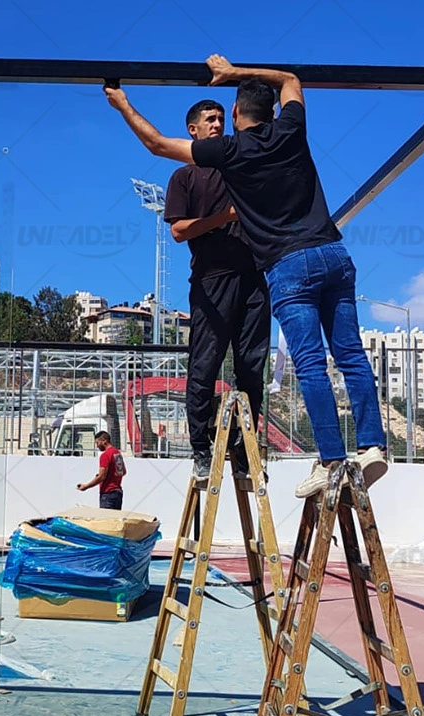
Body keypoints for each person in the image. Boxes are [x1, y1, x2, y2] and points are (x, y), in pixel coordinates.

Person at [104, 54, 389, 498]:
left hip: (287, 266)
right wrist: (235, 73)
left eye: (225, 115)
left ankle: (331, 458)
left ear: (235, 113)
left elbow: (157, 144)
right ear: (273, 111)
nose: (220, 122)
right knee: (350, 354)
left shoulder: (231, 152)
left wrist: (121, 102)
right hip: (333, 253)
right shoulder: (291, 130)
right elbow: (290, 78)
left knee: (308, 363)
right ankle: (373, 446)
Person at [163, 98, 270, 482]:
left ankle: (243, 450)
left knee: (252, 366)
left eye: (222, 118)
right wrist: (223, 217)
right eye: (210, 119)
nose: (218, 124)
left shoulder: (240, 165)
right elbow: (178, 231)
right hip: (211, 281)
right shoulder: (185, 177)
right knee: (204, 366)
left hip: (253, 276)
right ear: (192, 130)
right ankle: (200, 450)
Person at [76, 430, 126, 509]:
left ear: (104, 441)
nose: (97, 446)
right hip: (118, 493)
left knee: (105, 516)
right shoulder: (117, 453)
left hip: (108, 493)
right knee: (115, 517)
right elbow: (123, 471)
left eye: (97, 443)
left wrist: (86, 486)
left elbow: (102, 476)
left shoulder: (105, 455)